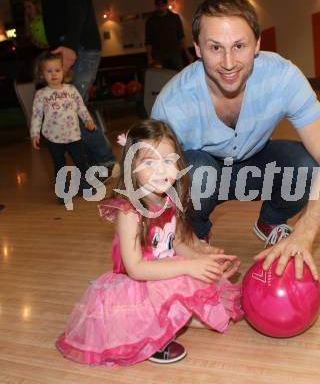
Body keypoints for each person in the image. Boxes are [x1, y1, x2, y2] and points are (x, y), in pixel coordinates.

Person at [152, 0, 320, 279]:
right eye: (215, 47)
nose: (229, 62)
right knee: (197, 172)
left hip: (256, 166)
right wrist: (183, 242)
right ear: (197, 48)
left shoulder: (283, 77)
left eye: (239, 46)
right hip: (203, 172)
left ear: (257, 43)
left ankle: (271, 223)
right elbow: (148, 187)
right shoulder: (172, 103)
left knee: (305, 166)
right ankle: (198, 236)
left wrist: (305, 232)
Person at [56, 120, 242, 365]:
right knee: (183, 278)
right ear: (131, 167)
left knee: (202, 281)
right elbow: (136, 268)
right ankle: (150, 338)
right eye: (149, 163)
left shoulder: (169, 200)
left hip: (164, 273)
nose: (161, 171)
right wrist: (188, 267)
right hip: (137, 284)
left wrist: (201, 258)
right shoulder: (130, 211)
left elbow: (175, 244)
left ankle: (180, 318)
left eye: (167, 161)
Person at [40, 0, 116, 173]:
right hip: (70, 46)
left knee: (71, 107)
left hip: (79, 47)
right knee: (71, 107)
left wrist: (71, 45)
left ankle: (105, 161)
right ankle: (93, 163)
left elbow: (77, 8)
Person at [30, 52, 96, 200]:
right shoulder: (41, 94)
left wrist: (88, 120)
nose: (54, 74)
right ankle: (63, 192)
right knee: (59, 165)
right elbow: (36, 115)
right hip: (53, 137)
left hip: (73, 135)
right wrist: (34, 134)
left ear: (63, 72)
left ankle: (85, 186)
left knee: (81, 161)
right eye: (49, 71)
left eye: (57, 70)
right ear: (42, 74)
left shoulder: (71, 90)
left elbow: (81, 107)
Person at [145, 0, 192, 71]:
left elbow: (181, 36)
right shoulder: (150, 20)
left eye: (162, 4)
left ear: (166, 4)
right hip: (158, 55)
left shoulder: (175, 18)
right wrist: (149, 58)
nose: (160, 6)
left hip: (174, 53)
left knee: (179, 75)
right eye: (158, 4)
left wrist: (187, 53)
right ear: (155, 5)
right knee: (160, 78)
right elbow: (148, 41)